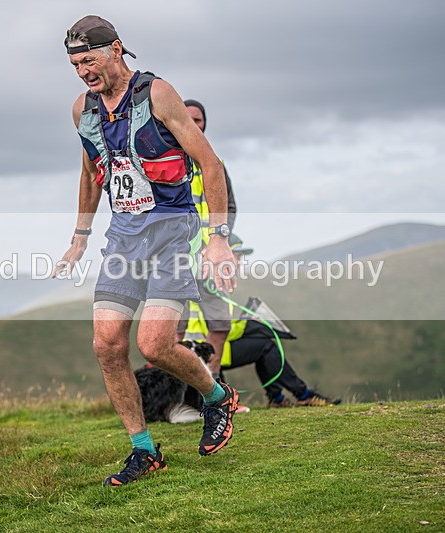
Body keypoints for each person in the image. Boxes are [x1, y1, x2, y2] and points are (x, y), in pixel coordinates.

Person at [53, 15, 239, 487]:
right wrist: (79, 237)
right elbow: (90, 172)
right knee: (106, 345)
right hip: (123, 237)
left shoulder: (157, 94)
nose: (83, 72)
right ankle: (144, 450)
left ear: (116, 49)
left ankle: (217, 397)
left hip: (172, 232)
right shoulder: (83, 109)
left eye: (89, 60)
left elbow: (210, 162)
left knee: (154, 345)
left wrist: (218, 238)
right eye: (75, 64)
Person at [175, 99, 238, 378]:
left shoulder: (216, 164)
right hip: (175, 259)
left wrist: (219, 242)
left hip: (210, 260)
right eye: (187, 119)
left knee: (221, 323)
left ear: (205, 124)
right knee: (174, 327)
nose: (193, 124)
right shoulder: (164, 161)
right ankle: (177, 392)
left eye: (198, 120)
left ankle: (212, 388)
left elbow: (230, 207)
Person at [184, 301, 342, 407]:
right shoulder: (210, 289)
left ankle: (280, 398)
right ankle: (300, 395)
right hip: (209, 355)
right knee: (266, 346)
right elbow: (218, 332)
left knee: (264, 345)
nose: (237, 262)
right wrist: (248, 322)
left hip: (201, 353)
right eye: (237, 256)